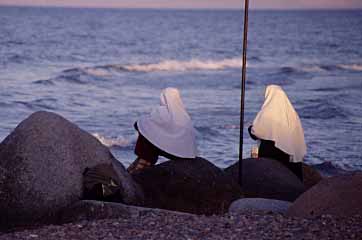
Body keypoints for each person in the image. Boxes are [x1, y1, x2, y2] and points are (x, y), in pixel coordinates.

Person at [127, 87, 197, 173]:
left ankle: (144, 161)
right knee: (149, 132)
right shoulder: (185, 116)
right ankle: (144, 161)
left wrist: (139, 124)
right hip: (186, 154)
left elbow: (139, 125)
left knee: (146, 132)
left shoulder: (161, 111)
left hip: (172, 152)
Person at [248, 85, 306, 181]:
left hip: (269, 155)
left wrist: (250, 129)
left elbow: (256, 132)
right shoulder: (291, 113)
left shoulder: (267, 111)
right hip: (288, 155)